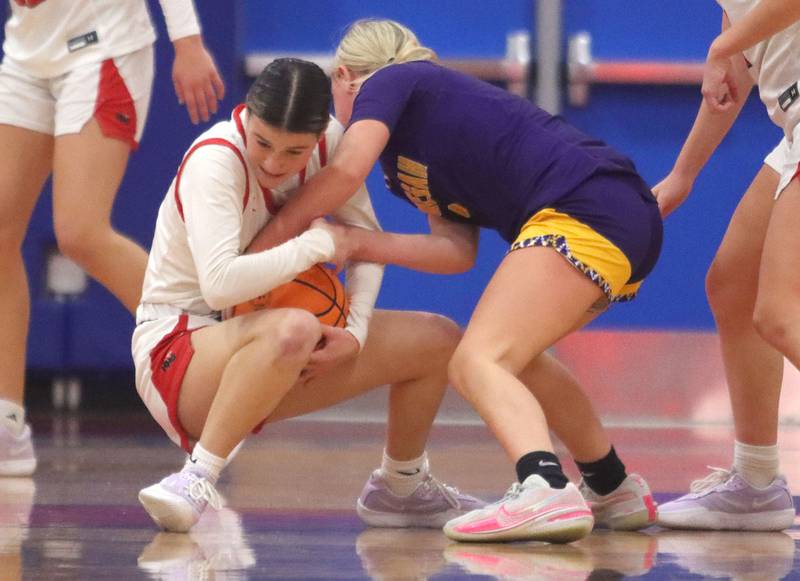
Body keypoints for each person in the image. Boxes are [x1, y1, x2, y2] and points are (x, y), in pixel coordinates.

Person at [247, 20, 663, 543]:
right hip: (617, 215)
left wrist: (269, 242)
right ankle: (612, 486)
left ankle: (544, 486)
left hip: (586, 208)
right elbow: (455, 252)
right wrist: (354, 244)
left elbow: (347, 170)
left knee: (475, 360)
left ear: (345, 77)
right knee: (516, 361)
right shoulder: (406, 160)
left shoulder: (395, 80)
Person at [134, 58, 483, 533]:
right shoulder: (215, 160)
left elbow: (364, 244)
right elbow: (220, 284)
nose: (275, 164)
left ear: (318, 135)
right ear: (247, 115)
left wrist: (356, 333)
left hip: (269, 338)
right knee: (294, 326)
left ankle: (402, 486)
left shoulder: (333, 146)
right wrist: (313, 246)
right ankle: (197, 477)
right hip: (180, 347)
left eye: (294, 152)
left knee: (437, 339)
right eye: (263, 143)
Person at [0, 0, 225, 476]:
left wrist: (186, 41)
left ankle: (210, 357)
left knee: (80, 231)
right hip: (25, 53)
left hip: (101, 47)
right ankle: (7, 424)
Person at [654, 1, 800, 531]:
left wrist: (721, 48)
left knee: (782, 314)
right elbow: (732, 75)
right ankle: (757, 483)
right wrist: (681, 176)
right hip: (793, 130)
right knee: (734, 283)